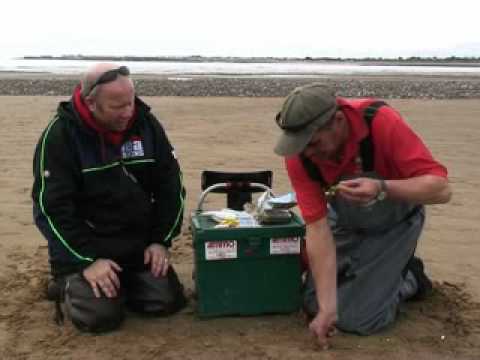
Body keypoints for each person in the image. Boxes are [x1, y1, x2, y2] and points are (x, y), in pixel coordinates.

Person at [273, 83, 451, 348]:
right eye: (300, 146)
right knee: (313, 303)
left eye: (313, 143)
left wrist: (383, 188)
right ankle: (370, 274)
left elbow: (441, 189)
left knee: (361, 320)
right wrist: (327, 310)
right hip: (344, 221)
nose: (307, 153)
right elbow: (317, 228)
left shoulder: (379, 122)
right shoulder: (300, 155)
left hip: (395, 223)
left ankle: (411, 278)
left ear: (338, 121)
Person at [32, 63, 187, 333]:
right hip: (86, 247)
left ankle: (119, 284)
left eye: (131, 102)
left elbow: (170, 186)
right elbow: (51, 208)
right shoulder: (59, 137)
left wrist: (159, 241)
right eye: (118, 106)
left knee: (166, 301)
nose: (129, 112)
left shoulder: (146, 125)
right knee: (100, 318)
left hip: (136, 243)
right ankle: (67, 283)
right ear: (91, 103)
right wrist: (87, 261)